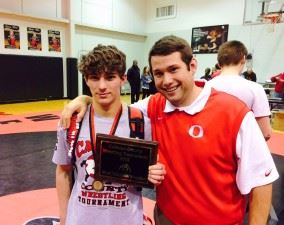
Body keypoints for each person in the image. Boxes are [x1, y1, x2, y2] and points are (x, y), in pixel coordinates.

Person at [60, 36, 279, 225]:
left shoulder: (233, 113)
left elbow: (261, 181)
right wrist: (84, 100)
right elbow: (113, 108)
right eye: (158, 73)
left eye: (173, 69)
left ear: (192, 66)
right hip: (167, 219)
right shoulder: (155, 106)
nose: (167, 81)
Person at [53, 44, 166, 225]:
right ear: (86, 80)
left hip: (126, 219)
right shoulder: (72, 122)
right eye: (95, 78)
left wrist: (155, 172)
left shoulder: (141, 123)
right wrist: (64, 217)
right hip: (80, 219)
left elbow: (154, 167)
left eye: (110, 77)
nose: (102, 86)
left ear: (123, 79)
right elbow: (63, 171)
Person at [207, 40, 272, 141]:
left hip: (211, 147)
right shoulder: (255, 89)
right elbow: (265, 133)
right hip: (241, 151)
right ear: (244, 59)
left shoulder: (205, 87)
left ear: (219, 63)